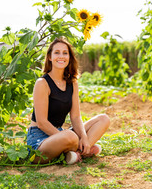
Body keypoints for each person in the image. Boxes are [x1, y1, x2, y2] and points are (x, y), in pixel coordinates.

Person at [27, 36, 110, 164]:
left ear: (69, 57)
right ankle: (79, 150)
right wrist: (68, 137)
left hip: (61, 135)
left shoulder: (72, 83)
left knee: (103, 119)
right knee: (70, 136)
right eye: (57, 52)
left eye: (65, 53)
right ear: (50, 57)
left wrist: (83, 138)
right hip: (39, 141)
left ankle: (75, 152)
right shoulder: (42, 83)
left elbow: (76, 117)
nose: (61, 56)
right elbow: (41, 123)